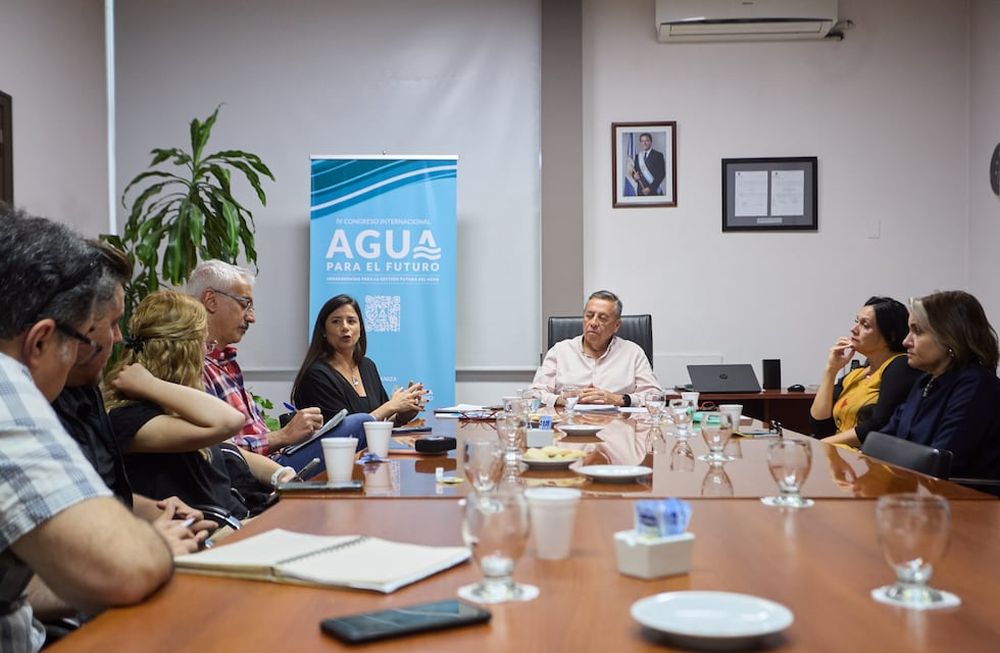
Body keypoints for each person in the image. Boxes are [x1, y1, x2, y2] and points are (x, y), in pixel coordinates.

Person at [0, 207, 172, 652]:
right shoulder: (5, 382)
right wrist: (158, 544)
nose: (102, 346)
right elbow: (126, 568)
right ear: (40, 341)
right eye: (82, 338)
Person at [52, 241, 215, 554]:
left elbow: (104, 499)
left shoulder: (86, 393)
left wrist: (155, 511)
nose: (118, 338)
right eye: (112, 324)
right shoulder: (33, 410)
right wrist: (148, 547)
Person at [104, 291, 295, 518]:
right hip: (213, 534)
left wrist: (279, 474)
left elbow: (226, 447)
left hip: (238, 518)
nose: (207, 352)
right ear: (182, 352)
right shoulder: (129, 418)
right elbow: (229, 421)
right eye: (205, 343)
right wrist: (150, 384)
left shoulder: (175, 406)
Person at [188, 260, 367, 471]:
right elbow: (218, 451)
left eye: (352, 321)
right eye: (245, 304)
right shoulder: (193, 367)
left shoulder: (226, 363)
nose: (252, 317)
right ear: (211, 300)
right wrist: (283, 436)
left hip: (277, 459)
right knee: (360, 424)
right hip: (261, 473)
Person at [880, 291, 1000, 480]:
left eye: (917, 331)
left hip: (961, 502)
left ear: (950, 337)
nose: (906, 342)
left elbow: (942, 461)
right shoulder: (926, 380)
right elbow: (881, 443)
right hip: (915, 491)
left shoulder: (977, 385)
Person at [291, 294, 426, 430]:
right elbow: (341, 432)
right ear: (324, 332)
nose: (345, 327)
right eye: (336, 321)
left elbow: (380, 421)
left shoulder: (367, 366)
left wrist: (402, 415)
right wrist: (391, 406)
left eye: (351, 321)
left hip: (373, 449)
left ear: (360, 329)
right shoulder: (316, 375)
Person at [812, 297, 921, 448]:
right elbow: (820, 426)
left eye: (865, 325)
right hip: (837, 455)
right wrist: (830, 371)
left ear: (891, 336)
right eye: (857, 321)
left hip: (866, 461)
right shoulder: (856, 374)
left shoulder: (900, 365)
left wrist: (819, 445)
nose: (854, 329)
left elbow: (878, 425)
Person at [532, 290, 661, 408]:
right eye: (589, 316)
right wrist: (565, 399)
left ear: (617, 325)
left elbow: (655, 396)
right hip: (568, 425)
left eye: (602, 318)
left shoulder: (633, 353)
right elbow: (534, 394)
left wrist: (619, 399)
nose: (593, 323)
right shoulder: (560, 351)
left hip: (618, 427)